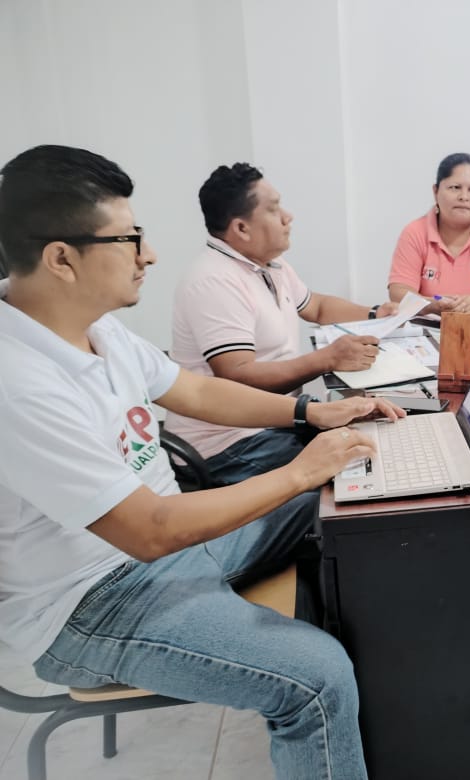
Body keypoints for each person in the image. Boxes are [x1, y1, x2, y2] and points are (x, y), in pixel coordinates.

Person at [0, 145, 406, 779]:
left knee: (343, 502)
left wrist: (310, 414)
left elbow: (197, 392)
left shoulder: (98, 328)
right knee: (316, 676)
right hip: (93, 602)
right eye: (129, 239)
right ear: (61, 259)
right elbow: (148, 530)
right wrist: (300, 469)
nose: (149, 255)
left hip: (170, 552)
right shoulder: (18, 380)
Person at [166, 162, 397, 483]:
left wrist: (375, 313)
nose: (288, 217)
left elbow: (316, 306)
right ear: (241, 228)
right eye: (274, 210)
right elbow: (238, 376)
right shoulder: (214, 281)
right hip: (229, 444)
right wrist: (327, 359)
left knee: (377, 436)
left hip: (275, 420)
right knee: (359, 474)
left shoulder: (271, 266)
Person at [387, 152, 470, 314]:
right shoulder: (415, 232)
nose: (464, 197)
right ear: (435, 191)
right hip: (427, 325)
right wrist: (431, 304)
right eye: (455, 188)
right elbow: (399, 291)